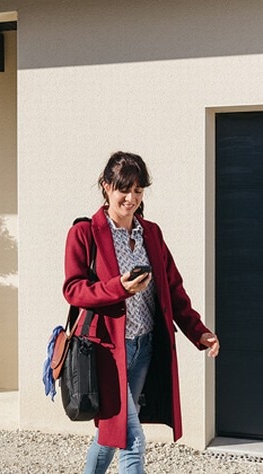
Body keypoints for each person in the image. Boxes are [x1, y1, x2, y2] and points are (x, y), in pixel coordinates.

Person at [62, 151, 220, 474]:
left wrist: (199, 332)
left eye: (138, 190)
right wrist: (118, 288)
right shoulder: (84, 234)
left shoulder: (152, 233)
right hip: (108, 353)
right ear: (106, 187)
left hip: (144, 348)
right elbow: (74, 290)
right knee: (133, 440)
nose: (131, 198)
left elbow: (173, 290)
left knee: (111, 435)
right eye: (124, 189)